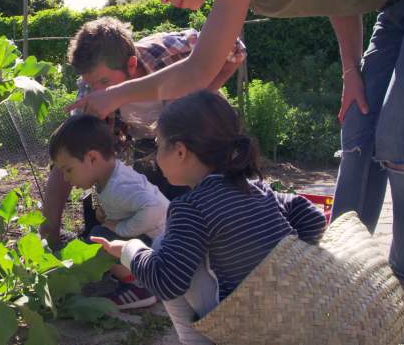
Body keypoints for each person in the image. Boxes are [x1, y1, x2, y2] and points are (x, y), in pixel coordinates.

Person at [71, 0, 404, 330]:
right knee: (358, 135)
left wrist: (113, 96)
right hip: (392, 9)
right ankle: (340, 273)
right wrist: (350, 70)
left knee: (400, 139)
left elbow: (198, 70)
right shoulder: (255, 192)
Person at [92, 92, 328, 344]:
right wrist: (282, 265)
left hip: (243, 327)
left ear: (180, 151)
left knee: (161, 247)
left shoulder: (190, 208)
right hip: (292, 311)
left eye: (159, 145)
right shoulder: (258, 188)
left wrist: (129, 250)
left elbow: (167, 281)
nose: (155, 156)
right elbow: (313, 219)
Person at [40, 17, 246, 249]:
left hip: (199, 134)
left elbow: (235, 48)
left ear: (131, 64)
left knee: (204, 202)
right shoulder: (90, 93)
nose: (97, 91)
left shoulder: (165, 52)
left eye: (104, 81)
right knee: (107, 199)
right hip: (148, 143)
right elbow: (70, 153)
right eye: (90, 83)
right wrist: (50, 230)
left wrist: (201, 92)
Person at [48, 114, 169, 309]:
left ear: (92, 158)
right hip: (154, 243)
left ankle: (139, 286)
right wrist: (103, 210)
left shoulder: (119, 186)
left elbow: (156, 209)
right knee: (99, 236)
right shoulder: (108, 177)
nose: (65, 178)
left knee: (100, 239)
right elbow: (106, 196)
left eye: (68, 170)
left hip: (163, 249)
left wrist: (121, 229)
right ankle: (131, 273)